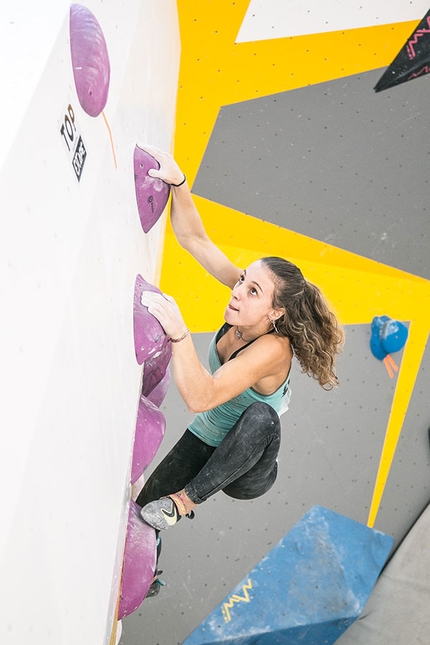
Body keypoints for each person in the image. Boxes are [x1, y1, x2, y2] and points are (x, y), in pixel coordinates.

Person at [136, 145, 344, 590]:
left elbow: (200, 395)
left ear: (275, 315)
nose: (238, 292)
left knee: (261, 416)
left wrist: (179, 335)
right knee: (142, 510)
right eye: (243, 281)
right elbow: (194, 239)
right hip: (210, 435)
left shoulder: (274, 349)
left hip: (247, 467)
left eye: (253, 292)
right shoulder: (244, 299)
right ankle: (149, 576)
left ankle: (184, 502)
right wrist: (179, 184)